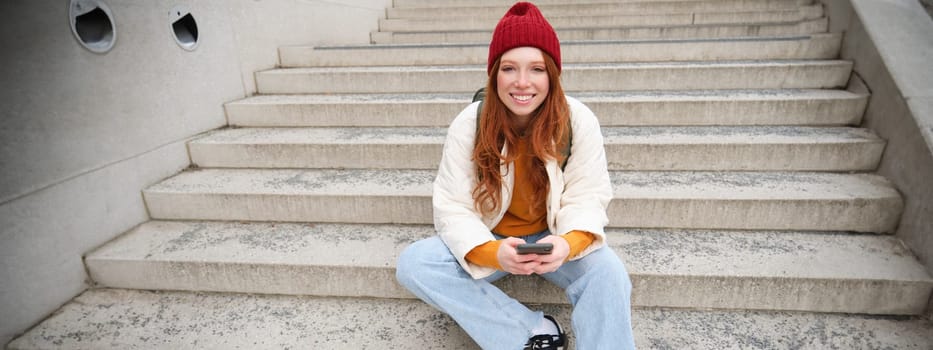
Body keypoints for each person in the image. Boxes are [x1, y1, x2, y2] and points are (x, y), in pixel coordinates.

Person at [396, 2, 635, 349]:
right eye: (509, 68)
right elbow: (452, 206)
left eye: (536, 69)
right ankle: (529, 331)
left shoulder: (578, 119)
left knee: (608, 273)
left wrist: (567, 243)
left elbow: (588, 194)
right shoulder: (470, 123)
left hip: (553, 236)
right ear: (495, 74)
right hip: (491, 235)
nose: (523, 83)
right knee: (415, 264)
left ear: (551, 74)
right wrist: (492, 251)